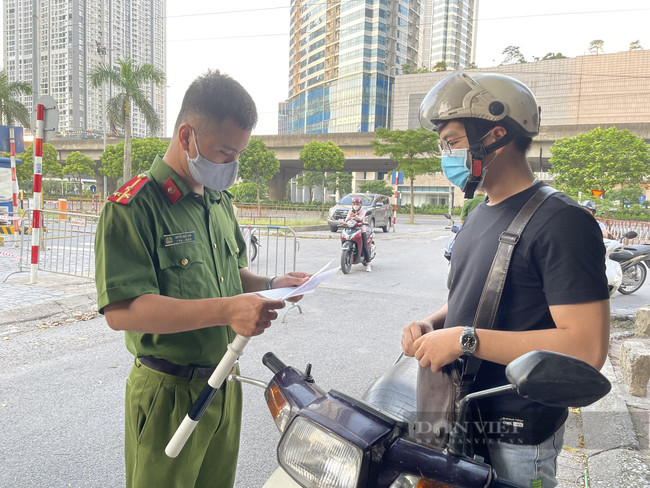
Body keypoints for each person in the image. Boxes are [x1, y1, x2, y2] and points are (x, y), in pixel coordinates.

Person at [94, 70, 311, 488]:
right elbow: (124, 311)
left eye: (238, 155)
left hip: (223, 384)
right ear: (187, 136)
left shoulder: (217, 202)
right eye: (225, 152)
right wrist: (230, 310)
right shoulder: (133, 207)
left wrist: (271, 282)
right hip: (167, 394)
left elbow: (230, 274)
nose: (232, 166)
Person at [403, 72, 610, 487]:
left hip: (518, 431)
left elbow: (586, 348)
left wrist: (464, 338)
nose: (445, 154)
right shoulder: (479, 213)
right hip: (456, 413)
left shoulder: (562, 222)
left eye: (452, 141)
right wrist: (434, 323)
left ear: (495, 135)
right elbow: (479, 295)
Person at [345, 196, 372, 272]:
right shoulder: (350, 211)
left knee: (364, 247)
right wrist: (345, 221)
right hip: (352, 229)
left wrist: (355, 216)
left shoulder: (363, 211)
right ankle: (344, 261)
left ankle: (368, 265)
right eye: (354, 204)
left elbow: (361, 219)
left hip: (361, 230)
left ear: (360, 205)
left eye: (357, 204)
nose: (355, 206)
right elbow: (347, 219)